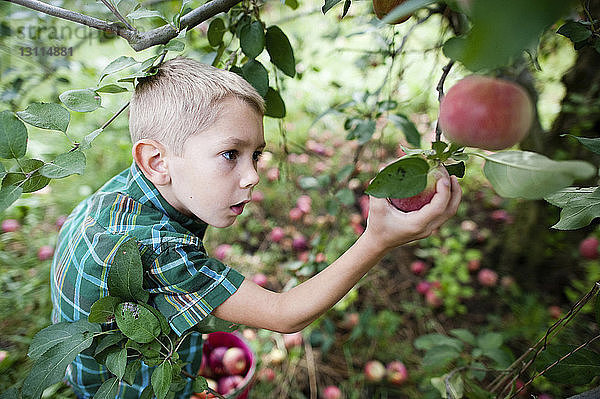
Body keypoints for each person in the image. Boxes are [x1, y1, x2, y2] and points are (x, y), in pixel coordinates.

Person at [50, 56, 462, 398]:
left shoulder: (125, 194)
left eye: (256, 155)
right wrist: (378, 239)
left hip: (86, 363)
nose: (252, 176)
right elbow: (284, 314)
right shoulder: (154, 248)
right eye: (230, 154)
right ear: (157, 161)